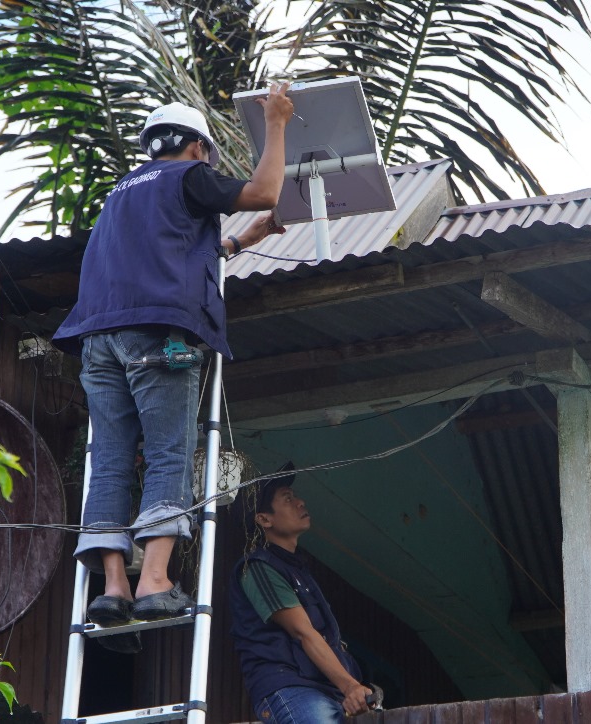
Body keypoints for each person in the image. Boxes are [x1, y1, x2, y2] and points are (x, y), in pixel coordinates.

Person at [51, 84, 294, 633]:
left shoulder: (120, 193)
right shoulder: (188, 176)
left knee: (110, 460)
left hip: (98, 342)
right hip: (160, 336)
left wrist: (238, 244)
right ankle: (155, 580)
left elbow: (166, 254)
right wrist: (277, 122)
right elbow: (263, 191)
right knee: (168, 454)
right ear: (196, 148)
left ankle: (113, 587)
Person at [229, 465, 373, 722]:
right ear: (264, 519)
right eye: (288, 498)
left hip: (325, 691)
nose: (300, 502)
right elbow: (303, 633)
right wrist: (350, 686)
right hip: (291, 689)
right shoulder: (258, 568)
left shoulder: (298, 568)